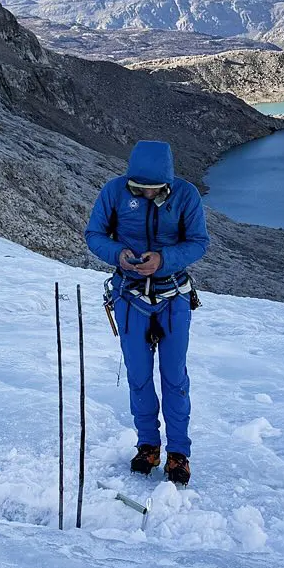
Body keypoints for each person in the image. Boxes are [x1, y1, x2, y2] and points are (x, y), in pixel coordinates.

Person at [84, 140, 209, 485]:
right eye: (139, 189)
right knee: (138, 376)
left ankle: (179, 453)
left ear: (167, 182)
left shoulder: (186, 196)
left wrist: (164, 260)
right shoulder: (114, 192)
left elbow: (198, 241)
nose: (147, 195)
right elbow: (94, 235)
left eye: (153, 190)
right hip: (129, 296)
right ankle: (148, 446)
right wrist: (119, 255)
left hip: (173, 297)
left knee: (174, 377)